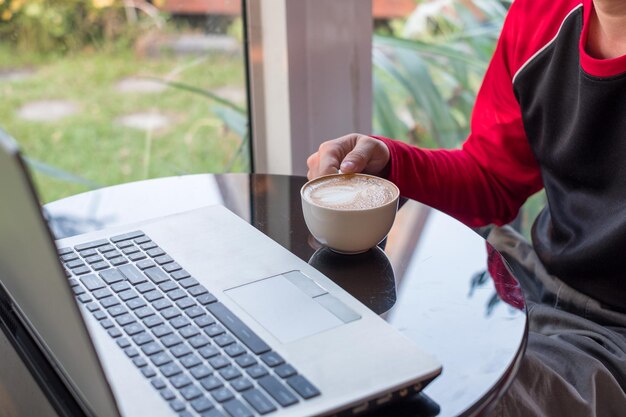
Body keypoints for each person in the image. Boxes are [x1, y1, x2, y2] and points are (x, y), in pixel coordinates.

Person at [307, 0, 626, 415]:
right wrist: (392, 163)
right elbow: (492, 179)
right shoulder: (541, 16)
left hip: (613, 336)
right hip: (529, 283)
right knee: (359, 364)